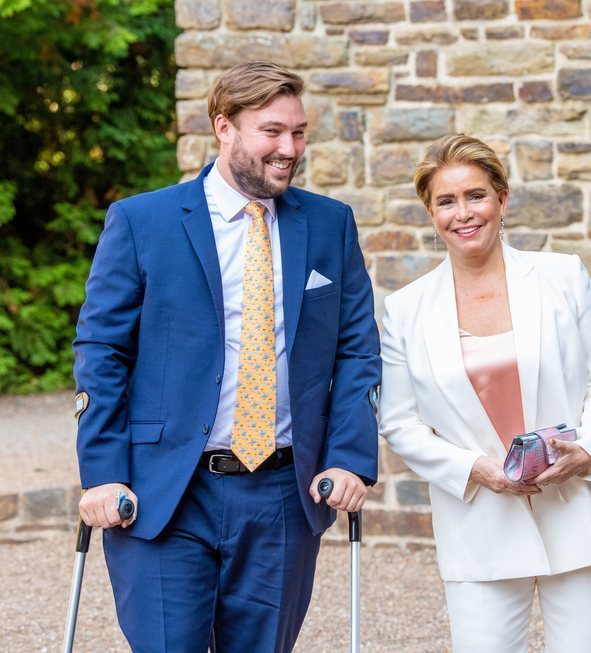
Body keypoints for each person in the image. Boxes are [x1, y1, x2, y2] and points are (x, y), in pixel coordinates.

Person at [73, 61, 380, 652]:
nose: (289, 148)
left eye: (298, 132)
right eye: (272, 131)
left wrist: (348, 458)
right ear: (225, 128)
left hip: (284, 494)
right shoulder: (143, 220)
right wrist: (103, 473)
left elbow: (356, 350)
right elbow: (103, 350)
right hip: (164, 492)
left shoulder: (331, 223)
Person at [379, 134, 591, 652]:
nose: (463, 213)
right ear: (430, 213)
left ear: (502, 199)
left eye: (476, 195)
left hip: (578, 508)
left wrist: (588, 451)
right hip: (480, 522)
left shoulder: (563, 276)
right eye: (445, 202)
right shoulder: (405, 310)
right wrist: (476, 469)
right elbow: (400, 423)